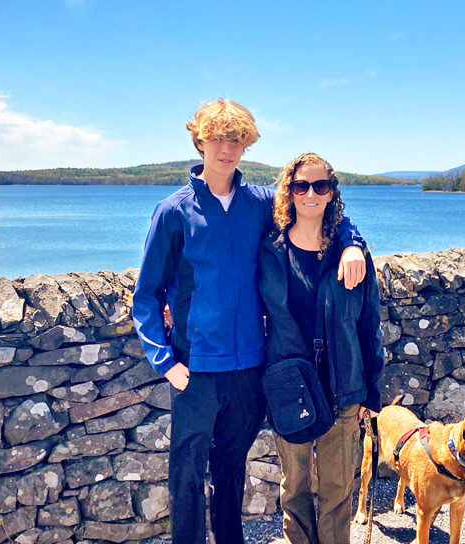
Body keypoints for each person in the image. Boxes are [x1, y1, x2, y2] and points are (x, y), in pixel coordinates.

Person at [132, 100, 368, 544]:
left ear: (246, 145)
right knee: (186, 475)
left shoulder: (259, 204)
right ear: (199, 141)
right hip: (194, 369)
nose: (227, 149)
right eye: (217, 138)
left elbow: (318, 211)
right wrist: (165, 362)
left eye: (236, 139)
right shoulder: (173, 212)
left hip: (248, 369)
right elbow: (146, 296)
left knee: (231, 471)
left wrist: (352, 242)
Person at [258, 152, 385, 544]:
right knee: (294, 491)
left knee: (336, 493)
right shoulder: (270, 251)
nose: (310, 193)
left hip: (342, 388)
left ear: (331, 194)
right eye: (301, 185)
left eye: (320, 186)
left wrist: (372, 391)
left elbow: (369, 326)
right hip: (289, 388)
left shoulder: (353, 257)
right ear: (289, 191)